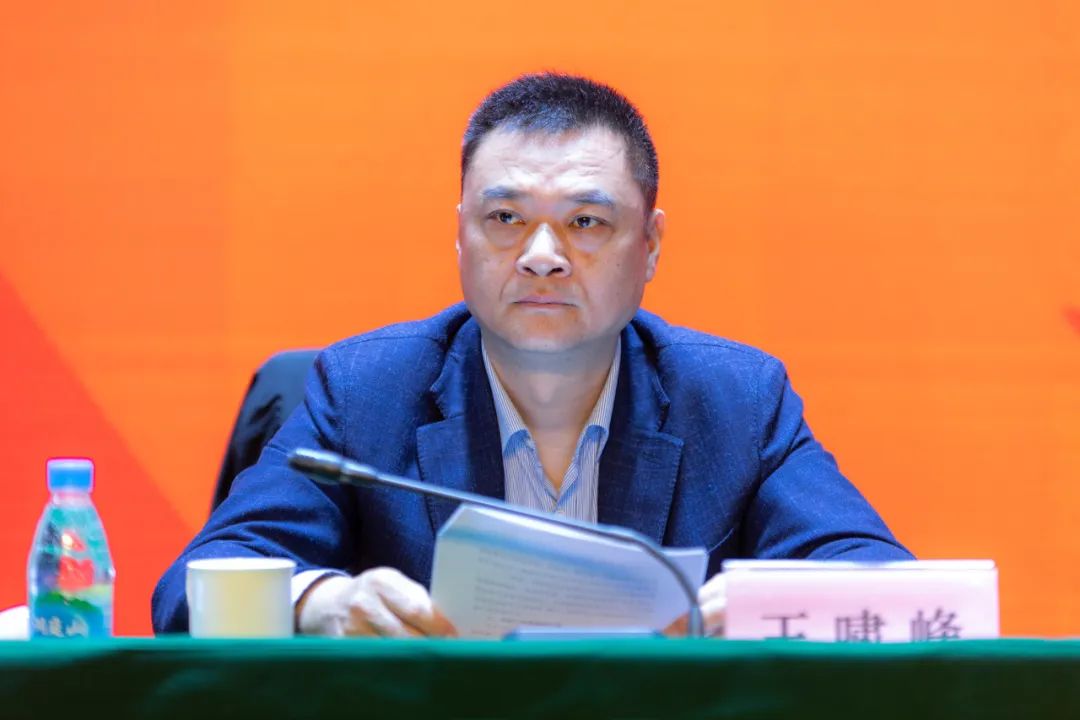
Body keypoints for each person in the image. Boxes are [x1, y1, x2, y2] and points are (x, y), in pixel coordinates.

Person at [152, 73, 912, 638]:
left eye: (586, 222)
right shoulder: (364, 392)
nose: (541, 256)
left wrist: (769, 604)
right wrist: (321, 601)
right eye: (506, 218)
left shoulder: (737, 401)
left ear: (650, 246)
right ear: (460, 236)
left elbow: (885, 581)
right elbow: (187, 589)